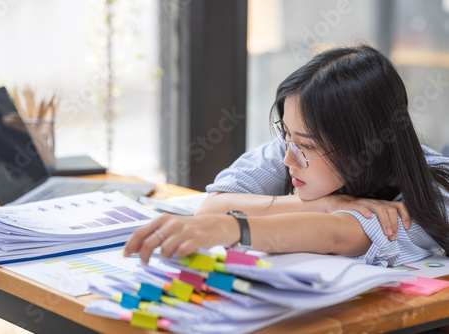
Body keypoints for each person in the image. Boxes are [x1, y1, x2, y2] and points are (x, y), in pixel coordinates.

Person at [124, 44, 449, 267]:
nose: (288, 159)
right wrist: (326, 203)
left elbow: (338, 233)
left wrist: (235, 230)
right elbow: (213, 206)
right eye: (286, 135)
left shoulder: (433, 191)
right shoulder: (291, 146)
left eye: (307, 146)